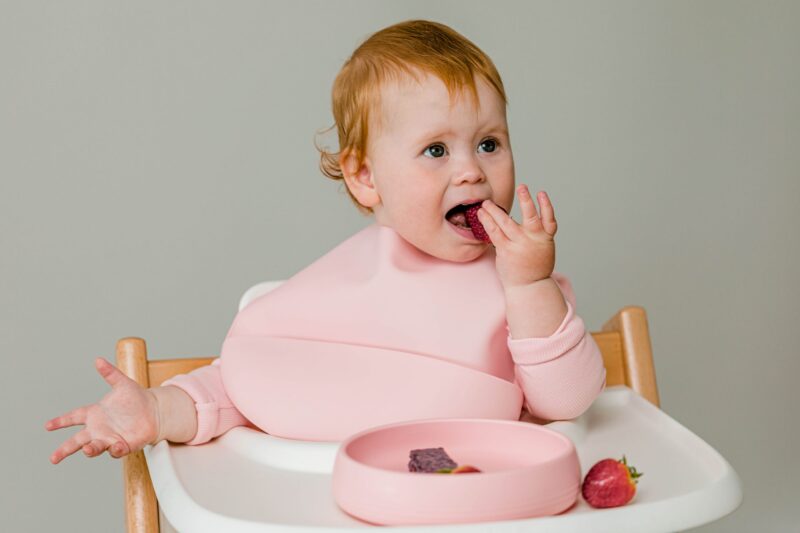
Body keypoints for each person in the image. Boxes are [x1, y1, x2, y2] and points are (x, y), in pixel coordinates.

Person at [46, 19, 606, 463]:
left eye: (489, 144)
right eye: (436, 150)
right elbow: (248, 383)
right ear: (365, 178)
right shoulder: (340, 287)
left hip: (484, 500)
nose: (471, 172)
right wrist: (159, 410)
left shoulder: (523, 283)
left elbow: (567, 401)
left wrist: (530, 284)